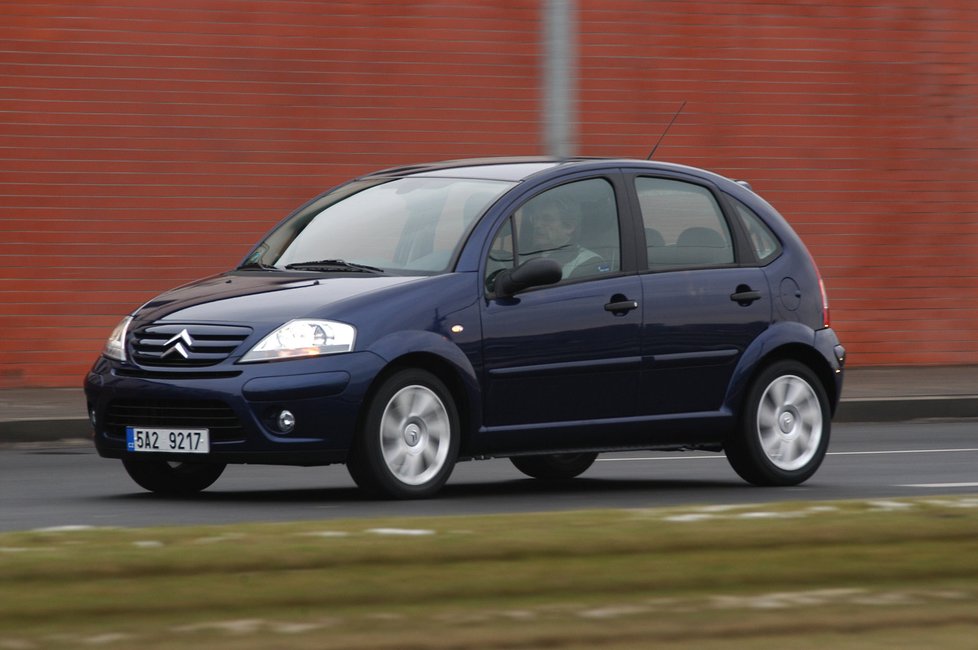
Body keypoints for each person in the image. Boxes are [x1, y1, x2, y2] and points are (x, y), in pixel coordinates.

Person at [522, 193, 604, 279]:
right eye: (535, 218)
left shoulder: (589, 263)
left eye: (547, 219)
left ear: (569, 227)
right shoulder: (524, 256)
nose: (537, 225)